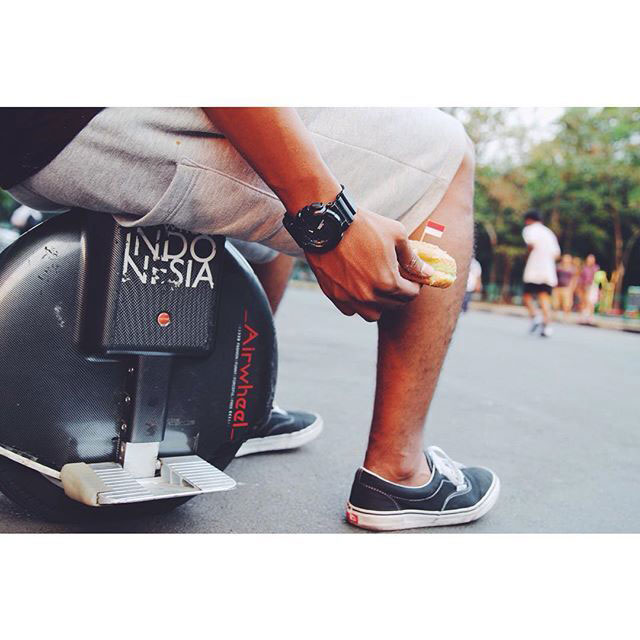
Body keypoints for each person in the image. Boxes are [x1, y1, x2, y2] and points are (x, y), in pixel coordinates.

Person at [0, 107, 500, 531]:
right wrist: (327, 221)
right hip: (82, 120)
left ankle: (242, 408)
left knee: (283, 164)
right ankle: (400, 472)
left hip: (32, 138)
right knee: (449, 155)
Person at [521, 209, 561, 337]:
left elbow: (531, 245)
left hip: (534, 268)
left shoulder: (529, 229)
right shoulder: (549, 233)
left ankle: (535, 316)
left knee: (526, 295)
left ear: (528, 220)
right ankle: (547, 326)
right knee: (544, 297)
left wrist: (529, 255)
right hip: (548, 270)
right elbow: (557, 254)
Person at [577, 254, 600, 324]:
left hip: (592, 286)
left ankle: (590, 317)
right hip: (584, 286)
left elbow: (597, 278)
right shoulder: (584, 268)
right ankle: (582, 317)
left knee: (591, 302)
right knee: (583, 301)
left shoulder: (596, 268)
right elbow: (580, 278)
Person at [552, 253, 577, 319]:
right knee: (555, 303)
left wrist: (572, 288)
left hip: (567, 288)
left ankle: (566, 316)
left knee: (567, 303)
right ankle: (554, 315)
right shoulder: (558, 267)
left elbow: (574, 278)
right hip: (557, 287)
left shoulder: (572, 268)